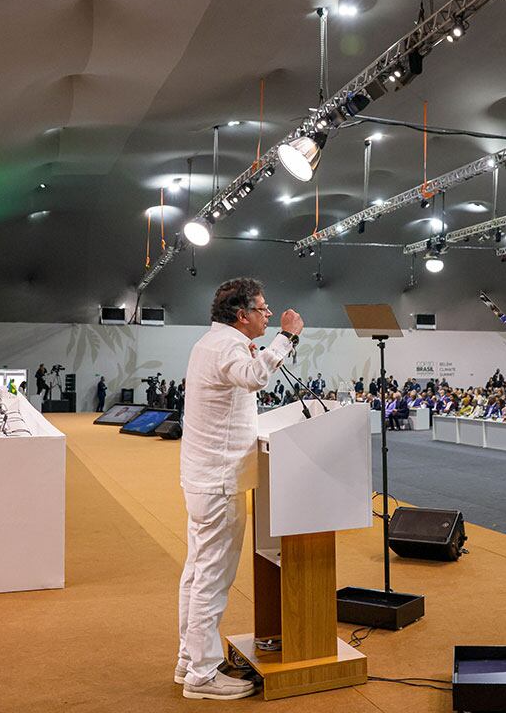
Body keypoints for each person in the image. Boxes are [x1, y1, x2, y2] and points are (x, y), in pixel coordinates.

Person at [175, 278, 302, 701]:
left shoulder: (210, 343)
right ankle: (202, 675)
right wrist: (286, 337)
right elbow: (253, 378)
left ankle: (189, 659)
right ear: (241, 315)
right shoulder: (228, 346)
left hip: (204, 476)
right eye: (263, 309)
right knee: (211, 577)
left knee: (197, 573)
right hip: (220, 481)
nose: (268, 314)